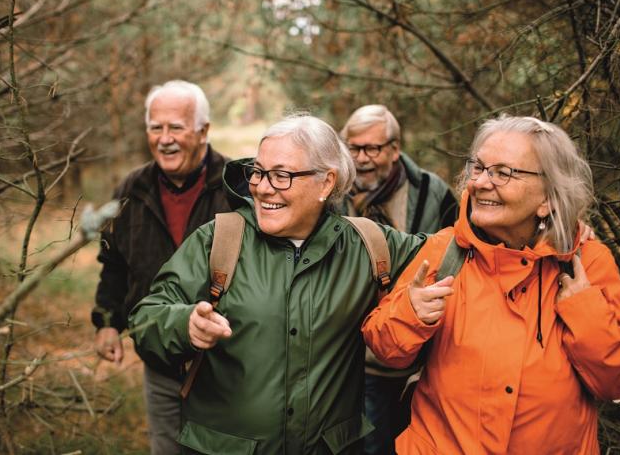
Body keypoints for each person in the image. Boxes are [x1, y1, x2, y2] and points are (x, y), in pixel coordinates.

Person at [129, 114, 428, 454]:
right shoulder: (220, 240)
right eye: (257, 172)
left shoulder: (367, 245)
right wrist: (185, 325)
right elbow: (146, 318)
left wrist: (486, 198)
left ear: (326, 183)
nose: (263, 187)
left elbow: (456, 255)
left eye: (281, 175)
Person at [362, 115, 620, 454]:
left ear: (548, 198)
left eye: (503, 172)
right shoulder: (444, 251)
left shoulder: (586, 262)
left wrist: (584, 311)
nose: (481, 183)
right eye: (479, 168)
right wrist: (410, 314)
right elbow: (383, 348)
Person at [91, 80, 231, 454]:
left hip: (228, 365)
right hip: (160, 359)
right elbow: (114, 264)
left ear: (203, 132)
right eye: (156, 127)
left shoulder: (237, 189)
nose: (164, 138)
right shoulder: (130, 190)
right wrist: (107, 323)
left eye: (176, 127)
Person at [340, 104, 458, 455]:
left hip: (421, 350)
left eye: (371, 149)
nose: (361, 159)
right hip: (354, 354)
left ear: (394, 149)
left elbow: (461, 242)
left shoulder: (430, 191)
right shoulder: (333, 191)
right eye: (353, 148)